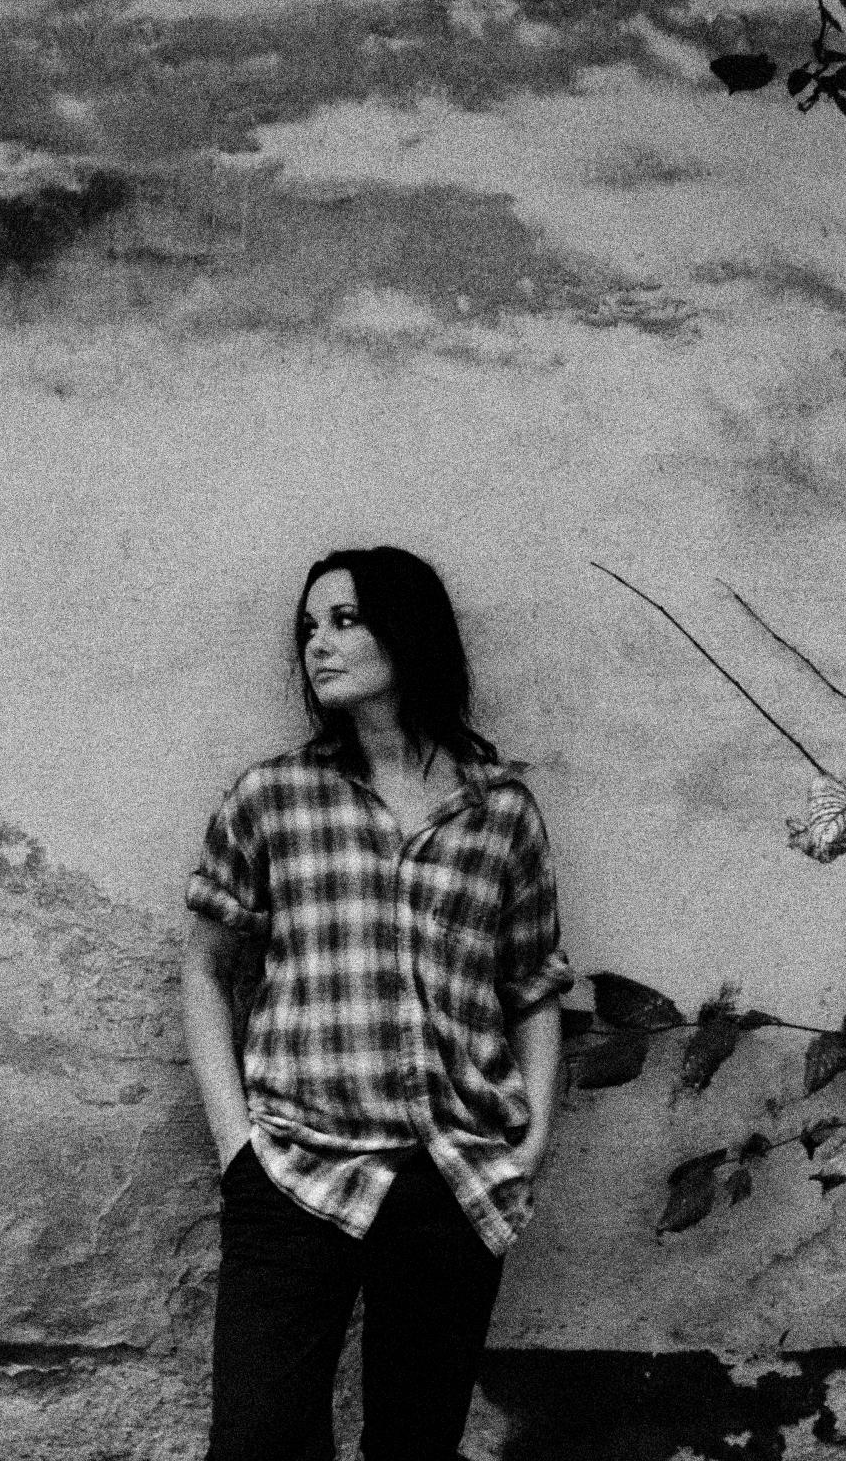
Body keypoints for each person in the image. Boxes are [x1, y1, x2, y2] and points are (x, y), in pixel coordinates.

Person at [182, 545, 573, 1461]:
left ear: (408, 632)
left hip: (451, 1175)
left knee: (414, 1447)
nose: (317, 645)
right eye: (308, 627)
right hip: (294, 1167)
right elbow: (204, 970)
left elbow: (533, 985)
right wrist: (238, 1147)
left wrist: (529, 1144)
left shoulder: (499, 811)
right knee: (257, 1444)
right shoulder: (272, 798)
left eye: (345, 620)